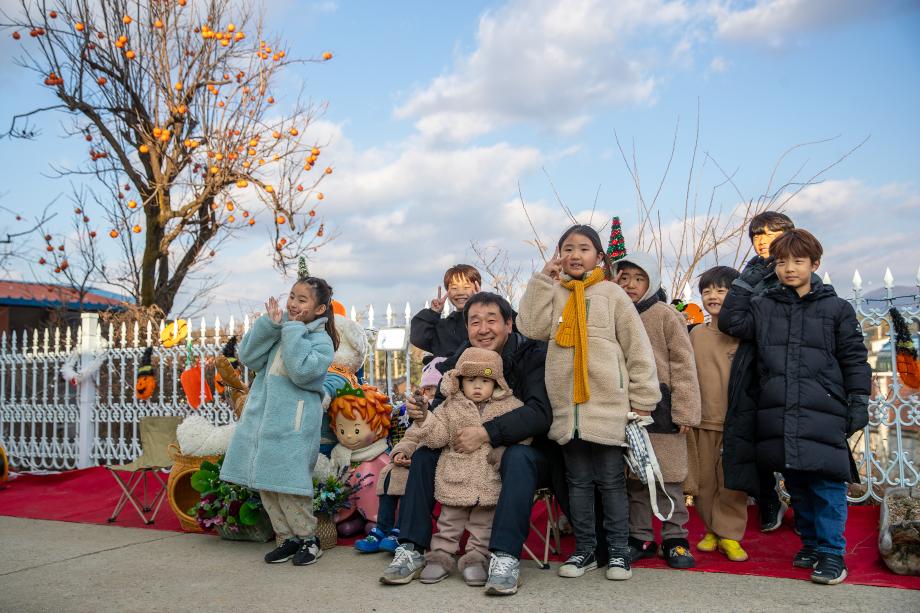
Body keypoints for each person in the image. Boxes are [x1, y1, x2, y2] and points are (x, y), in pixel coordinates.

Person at [719, 229, 871, 584]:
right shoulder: (765, 306)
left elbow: (854, 357)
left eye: (798, 261)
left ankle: (832, 554)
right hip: (779, 409)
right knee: (797, 483)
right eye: (781, 262)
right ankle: (812, 544)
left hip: (824, 410)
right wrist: (747, 279)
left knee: (827, 484)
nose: (789, 268)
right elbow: (731, 322)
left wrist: (859, 400)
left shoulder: (837, 309)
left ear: (815, 264)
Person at [380, 292, 552, 596]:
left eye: (491, 320)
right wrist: (407, 446)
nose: (483, 329)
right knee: (425, 455)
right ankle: (411, 548)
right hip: (462, 457)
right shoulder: (457, 366)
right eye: (475, 322)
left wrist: (487, 433)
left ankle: (504, 557)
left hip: (525, 454)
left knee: (518, 456)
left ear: (509, 324)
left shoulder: (532, 355)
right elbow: (435, 417)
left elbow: (539, 414)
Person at [517, 225, 661, 581]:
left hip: (608, 406)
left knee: (611, 482)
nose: (575, 255)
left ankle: (618, 552)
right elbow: (530, 326)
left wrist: (644, 398)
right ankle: (585, 549)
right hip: (568, 410)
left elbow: (637, 349)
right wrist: (542, 280)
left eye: (584, 248)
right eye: (568, 248)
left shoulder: (612, 294)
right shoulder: (555, 293)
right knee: (578, 482)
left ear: (599, 256)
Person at [220, 271, 338, 567]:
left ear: (320, 309)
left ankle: (309, 539)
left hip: (293, 426)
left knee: (290, 486)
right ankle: (287, 538)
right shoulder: (281, 329)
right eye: (292, 297)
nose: (294, 304)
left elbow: (302, 372)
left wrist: (292, 330)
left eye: (302, 300)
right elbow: (248, 357)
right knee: (268, 484)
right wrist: (269, 326)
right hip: (264, 421)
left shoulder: (321, 341)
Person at [614, 253, 701, 569]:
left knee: (670, 478)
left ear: (651, 282)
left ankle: (675, 538)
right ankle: (640, 537)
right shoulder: (614, 313)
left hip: (664, 409)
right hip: (625, 410)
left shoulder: (665, 315)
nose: (631, 285)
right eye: (624, 278)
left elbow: (683, 364)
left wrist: (685, 411)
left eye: (639, 279)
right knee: (636, 479)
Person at [412, 347, 527, 586]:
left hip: (488, 480)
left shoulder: (510, 406)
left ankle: (476, 558)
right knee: (449, 522)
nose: (477, 386)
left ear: (496, 382)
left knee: (483, 526)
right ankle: (440, 556)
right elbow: (437, 437)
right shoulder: (450, 406)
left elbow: (524, 432)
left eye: (485, 381)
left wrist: (504, 450)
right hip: (456, 476)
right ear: (460, 381)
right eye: (471, 380)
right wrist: (425, 419)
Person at [721, 211, 796, 532]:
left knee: (793, 439)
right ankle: (768, 500)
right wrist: (746, 283)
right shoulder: (750, 274)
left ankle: (803, 506)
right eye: (756, 234)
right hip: (754, 369)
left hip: (793, 368)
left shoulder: (799, 271)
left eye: (770, 233)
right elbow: (732, 321)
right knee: (752, 440)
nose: (762, 240)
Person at [688, 266, 750, 562]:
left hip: (735, 423)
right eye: (707, 290)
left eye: (721, 290)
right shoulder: (695, 334)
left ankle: (730, 535)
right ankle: (712, 530)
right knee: (704, 483)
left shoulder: (744, 335)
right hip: (701, 420)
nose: (713, 296)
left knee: (731, 483)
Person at [356, 358, 446, 554]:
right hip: (411, 458)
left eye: (434, 388)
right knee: (389, 472)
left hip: (431, 461)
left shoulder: (445, 412)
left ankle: (400, 528)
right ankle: (383, 527)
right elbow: (411, 436)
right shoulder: (421, 413)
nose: (430, 394)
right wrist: (400, 452)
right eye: (427, 389)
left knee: (406, 477)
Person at [410, 265, 481, 358]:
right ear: (448, 291)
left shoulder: (488, 322)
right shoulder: (443, 327)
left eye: (466, 287)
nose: (460, 292)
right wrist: (433, 313)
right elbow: (418, 338)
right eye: (454, 288)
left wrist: (481, 306)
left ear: (477, 288)